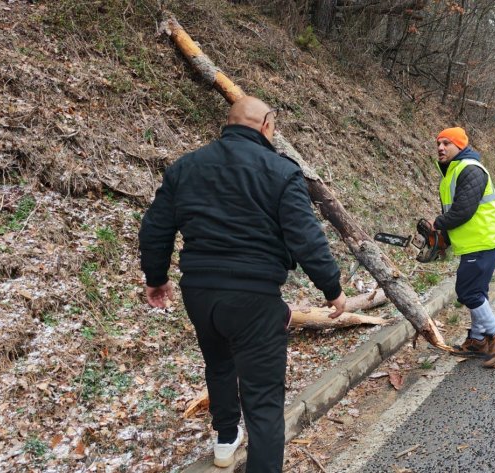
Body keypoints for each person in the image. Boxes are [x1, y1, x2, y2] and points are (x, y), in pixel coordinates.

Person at [138, 96, 346, 471]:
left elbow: (155, 228)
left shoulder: (186, 167)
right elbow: (306, 237)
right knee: (263, 402)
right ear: (266, 124)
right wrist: (332, 288)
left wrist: (156, 278)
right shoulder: (281, 171)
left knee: (218, 364)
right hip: (253, 298)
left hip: (200, 294)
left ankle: (225, 438)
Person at [430, 127, 495, 368]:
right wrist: (443, 234)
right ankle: (477, 340)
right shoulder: (453, 172)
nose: (441, 148)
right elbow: (455, 210)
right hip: (475, 241)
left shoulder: (470, 170)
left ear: (460, 146)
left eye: (447, 143)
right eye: (439, 143)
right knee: (476, 290)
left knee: (468, 291)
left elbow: (463, 210)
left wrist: (437, 224)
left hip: (483, 240)